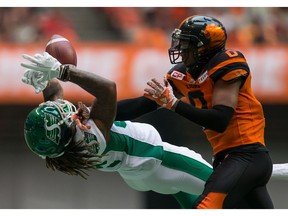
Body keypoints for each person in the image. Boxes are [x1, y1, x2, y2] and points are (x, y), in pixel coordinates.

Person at [116, 15, 274, 209]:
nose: (180, 49)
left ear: (204, 48)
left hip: (246, 156)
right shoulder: (184, 73)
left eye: (186, 44)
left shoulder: (226, 65)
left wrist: (175, 104)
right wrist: (97, 113)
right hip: (227, 160)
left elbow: (220, 119)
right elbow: (142, 105)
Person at [20, 51, 214, 209]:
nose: (63, 107)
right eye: (60, 112)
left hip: (139, 175)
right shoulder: (90, 134)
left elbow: (54, 94)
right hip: (156, 158)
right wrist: (64, 71)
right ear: (63, 128)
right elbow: (107, 89)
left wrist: (43, 78)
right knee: (225, 187)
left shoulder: (59, 146)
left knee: (199, 205)